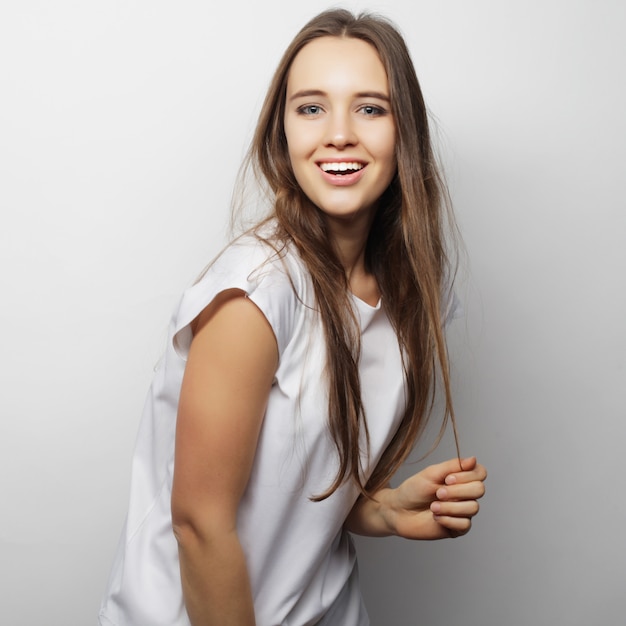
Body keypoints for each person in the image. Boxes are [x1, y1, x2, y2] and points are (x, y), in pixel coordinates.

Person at [99, 8, 487, 626]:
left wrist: (383, 510)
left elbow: (297, 488)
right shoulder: (255, 293)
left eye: (370, 108)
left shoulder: (411, 294)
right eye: (311, 107)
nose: (338, 134)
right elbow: (201, 525)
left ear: (405, 132)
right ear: (281, 134)